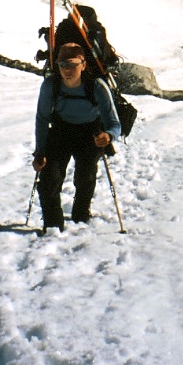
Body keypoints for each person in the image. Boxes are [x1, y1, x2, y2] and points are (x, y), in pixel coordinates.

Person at [33, 42, 121, 231]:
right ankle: (52, 226)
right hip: (60, 131)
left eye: (72, 64)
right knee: (50, 178)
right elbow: (42, 119)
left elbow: (115, 124)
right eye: (63, 65)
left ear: (83, 64)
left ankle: (81, 216)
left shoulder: (97, 86)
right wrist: (39, 153)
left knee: (85, 176)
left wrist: (108, 136)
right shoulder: (51, 85)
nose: (67, 70)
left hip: (90, 134)